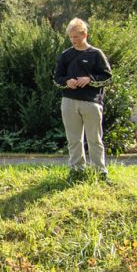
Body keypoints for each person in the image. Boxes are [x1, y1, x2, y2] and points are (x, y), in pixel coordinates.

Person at [52, 18, 113, 181]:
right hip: (69, 102)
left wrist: (90, 79)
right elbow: (56, 78)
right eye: (71, 37)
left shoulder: (96, 54)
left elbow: (108, 77)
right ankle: (76, 171)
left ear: (85, 34)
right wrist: (67, 81)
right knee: (74, 140)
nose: (73, 40)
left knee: (95, 139)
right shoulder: (66, 55)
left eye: (76, 37)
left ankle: (100, 172)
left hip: (91, 102)